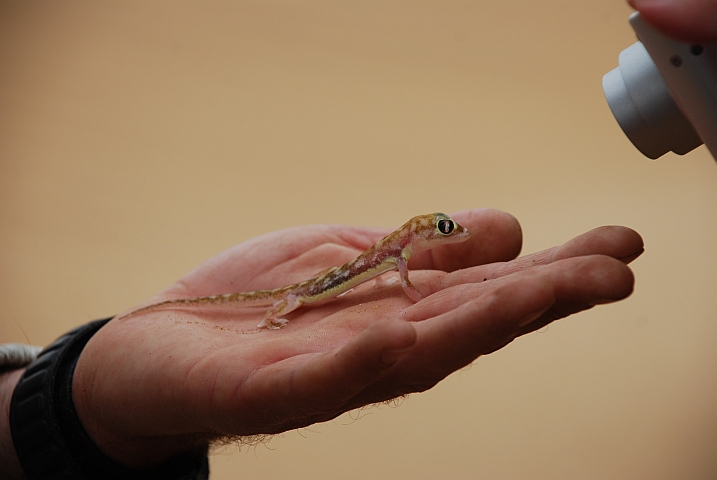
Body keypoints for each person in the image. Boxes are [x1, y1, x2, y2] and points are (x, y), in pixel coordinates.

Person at [1, 2, 715, 478]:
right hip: (297, 297)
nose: (449, 233)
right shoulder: (392, 259)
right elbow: (386, 280)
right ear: (416, 233)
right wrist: (76, 397)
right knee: (290, 302)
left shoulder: (393, 253)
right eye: (440, 228)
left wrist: (69, 406)